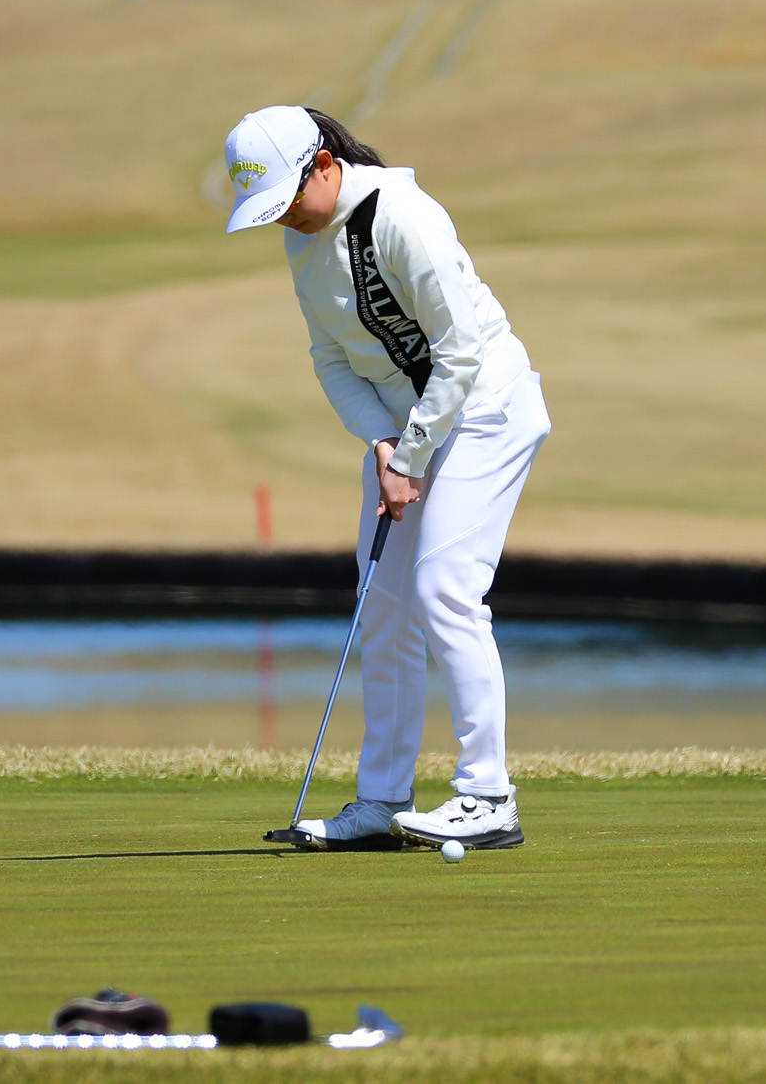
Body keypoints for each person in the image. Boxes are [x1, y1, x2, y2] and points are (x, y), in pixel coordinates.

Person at [223, 105, 551, 851]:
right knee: (385, 605)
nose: (286, 221)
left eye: (287, 201)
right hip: (408, 428)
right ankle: (381, 801)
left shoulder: (404, 215)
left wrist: (409, 454)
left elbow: (461, 349)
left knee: (444, 588)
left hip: (486, 409)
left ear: (325, 164)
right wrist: (379, 438)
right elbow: (330, 358)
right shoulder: (304, 243)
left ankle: (488, 794)